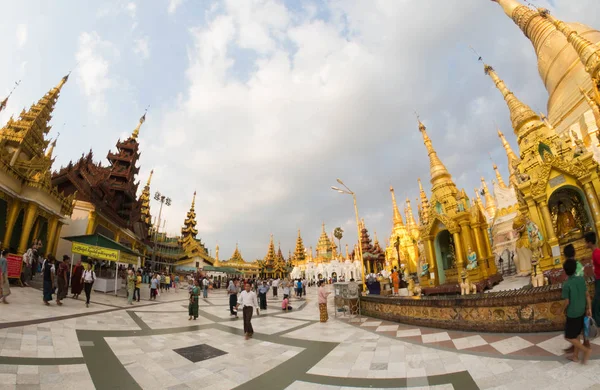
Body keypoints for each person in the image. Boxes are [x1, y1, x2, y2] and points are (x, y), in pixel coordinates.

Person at [562, 253, 592, 364]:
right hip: (582, 311)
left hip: (573, 313)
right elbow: (587, 295)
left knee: (569, 337)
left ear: (565, 271)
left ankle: (586, 350)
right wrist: (589, 309)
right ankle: (575, 356)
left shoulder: (567, 284)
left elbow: (567, 302)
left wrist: (560, 310)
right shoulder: (580, 280)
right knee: (577, 335)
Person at [586, 232, 600, 327]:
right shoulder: (594, 253)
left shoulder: (597, 253)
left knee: (596, 303)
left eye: (586, 242)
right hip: (597, 279)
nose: (585, 244)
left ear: (590, 242)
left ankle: (598, 323)